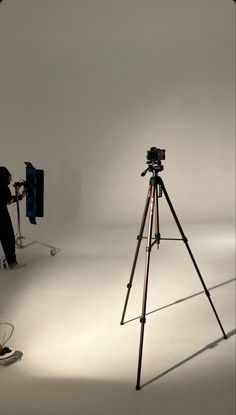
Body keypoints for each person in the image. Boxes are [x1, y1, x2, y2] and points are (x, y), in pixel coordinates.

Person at [0, 166, 26, 269]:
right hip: (1, 215)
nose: (10, 179)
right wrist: (20, 196)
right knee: (8, 238)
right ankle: (12, 263)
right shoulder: (3, 187)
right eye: (9, 176)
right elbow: (8, 200)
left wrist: (19, 196)